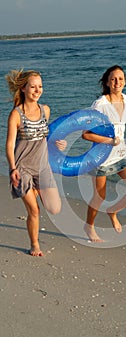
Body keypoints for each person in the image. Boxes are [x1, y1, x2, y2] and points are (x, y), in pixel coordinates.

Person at [5, 69, 66, 256]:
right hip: (22, 167)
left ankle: (36, 187)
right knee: (34, 210)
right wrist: (13, 168)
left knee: (55, 208)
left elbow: (43, 137)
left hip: (42, 166)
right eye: (33, 86)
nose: (37, 90)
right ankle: (34, 245)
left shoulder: (45, 110)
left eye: (40, 86)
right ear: (23, 88)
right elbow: (9, 145)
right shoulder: (16, 114)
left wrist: (58, 144)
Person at [82, 65, 126, 242]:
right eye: (114, 79)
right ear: (107, 82)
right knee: (99, 196)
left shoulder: (125, 98)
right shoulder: (100, 104)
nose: (117, 82)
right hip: (101, 157)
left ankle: (113, 210)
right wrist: (110, 141)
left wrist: (117, 142)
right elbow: (86, 134)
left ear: (125, 81)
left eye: (121, 79)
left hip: (122, 154)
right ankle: (89, 226)